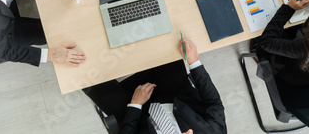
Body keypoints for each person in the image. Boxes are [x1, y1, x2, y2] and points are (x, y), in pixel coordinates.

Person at [84, 38, 226, 134]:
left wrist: (135, 105)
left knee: (87, 79)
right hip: (175, 95)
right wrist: (194, 62)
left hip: (137, 117)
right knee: (162, 39)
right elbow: (214, 103)